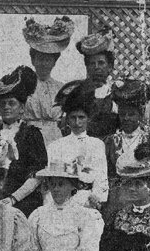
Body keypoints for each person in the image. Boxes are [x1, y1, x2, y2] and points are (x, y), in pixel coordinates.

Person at [9, 80, 108, 212]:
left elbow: (101, 175)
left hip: (86, 199)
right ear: (67, 119)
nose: (77, 122)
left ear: (88, 119)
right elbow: (50, 177)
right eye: (73, 117)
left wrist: (96, 197)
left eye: (81, 117)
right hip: (59, 199)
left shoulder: (96, 144)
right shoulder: (56, 145)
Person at [0, 65, 50, 215]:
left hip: (22, 202)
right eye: (3, 103)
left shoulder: (31, 134)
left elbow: (37, 175)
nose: (6, 107)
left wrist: (12, 199)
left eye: (11, 103)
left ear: (22, 108)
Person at [103, 78, 150, 217]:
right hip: (117, 198)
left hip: (143, 196)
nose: (126, 118)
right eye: (123, 114)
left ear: (140, 115)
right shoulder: (111, 141)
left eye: (131, 114)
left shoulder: (149, 139)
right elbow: (107, 173)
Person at [20, 16, 74, 144]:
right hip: (28, 138)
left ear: (54, 62)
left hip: (54, 138)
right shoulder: (23, 86)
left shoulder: (61, 88)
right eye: (40, 58)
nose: (44, 63)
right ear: (33, 60)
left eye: (48, 59)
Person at [76, 23, 120, 140]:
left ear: (110, 66)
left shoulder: (116, 93)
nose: (97, 67)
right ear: (87, 67)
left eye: (101, 63)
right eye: (92, 63)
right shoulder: (78, 93)